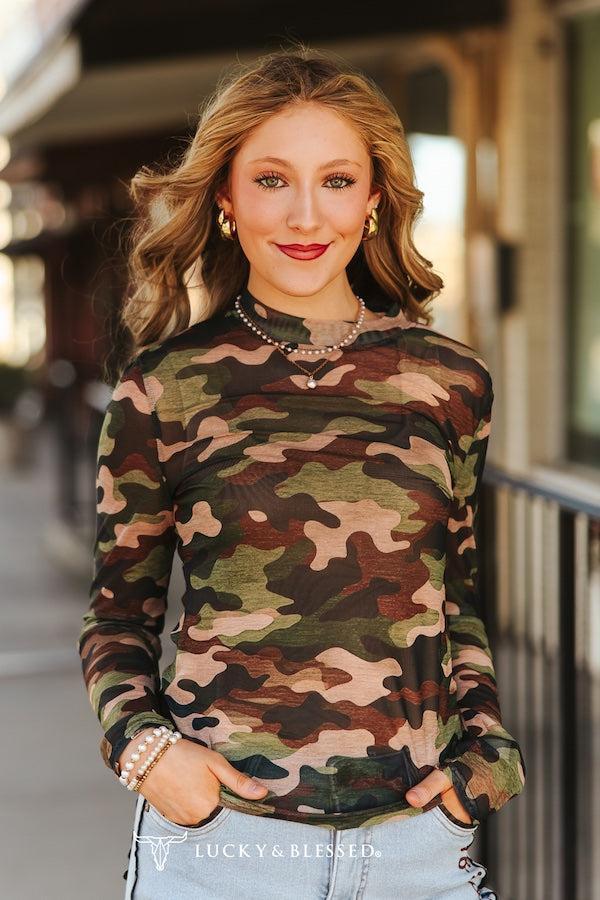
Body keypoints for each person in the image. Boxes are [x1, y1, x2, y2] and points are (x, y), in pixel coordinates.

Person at [77, 42, 525, 900]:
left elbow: (454, 601)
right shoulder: (162, 390)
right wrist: (147, 753)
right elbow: (117, 615)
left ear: (374, 200)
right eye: (273, 179)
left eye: (338, 180)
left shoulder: (449, 380)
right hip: (221, 850)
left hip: (416, 852)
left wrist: (490, 758)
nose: (306, 216)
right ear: (225, 198)